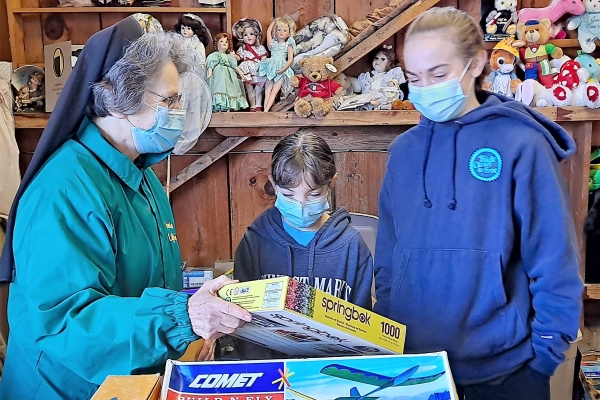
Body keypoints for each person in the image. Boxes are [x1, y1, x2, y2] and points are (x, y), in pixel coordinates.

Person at [0, 17, 250, 400]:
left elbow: (151, 284)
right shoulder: (63, 188)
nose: (179, 111)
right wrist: (183, 317)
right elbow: (66, 321)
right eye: (168, 100)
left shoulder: (141, 173)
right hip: (67, 388)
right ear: (119, 101)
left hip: (127, 381)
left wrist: (195, 321)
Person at [373, 7, 583, 400]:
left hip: (507, 371)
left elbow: (553, 256)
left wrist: (545, 354)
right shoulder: (403, 151)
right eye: (414, 78)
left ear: (475, 63)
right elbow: (389, 252)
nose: (425, 88)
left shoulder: (521, 143)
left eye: (438, 74)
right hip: (413, 369)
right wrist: (387, 327)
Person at [230, 131, 373, 360]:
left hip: (330, 372)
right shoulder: (255, 242)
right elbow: (244, 324)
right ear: (273, 184)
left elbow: (363, 330)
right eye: (289, 194)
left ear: (332, 184)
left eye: (314, 194)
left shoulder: (351, 247)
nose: (301, 204)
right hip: (270, 370)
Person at [256, 17, 296, 112]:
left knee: (274, 92)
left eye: (285, 30)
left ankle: (266, 111)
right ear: (276, 32)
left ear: (289, 34)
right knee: (267, 92)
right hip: (270, 67)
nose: (281, 32)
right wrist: (274, 22)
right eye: (279, 30)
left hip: (281, 69)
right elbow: (268, 33)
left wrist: (283, 69)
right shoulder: (273, 44)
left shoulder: (288, 45)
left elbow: (290, 59)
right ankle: (265, 111)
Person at [206, 32, 250, 112]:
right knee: (219, 89)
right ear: (217, 43)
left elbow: (235, 66)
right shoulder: (214, 55)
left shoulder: (230, 57)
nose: (224, 43)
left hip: (229, 76)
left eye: (226, 42)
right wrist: (210, 73)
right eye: (221, 41)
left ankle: (228, 106)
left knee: (231, 90)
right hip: (218, 75)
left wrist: (241, 73)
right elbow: (210, 65)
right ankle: (220, 106)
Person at [232, 18, 268, 112]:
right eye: (245, 35)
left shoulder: (260, 47)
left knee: (259, 87)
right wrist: (233, 56)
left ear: (256, 34)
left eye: (251, 34)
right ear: (241, 36)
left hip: (257, 69)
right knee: (249, 88)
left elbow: (263, 57)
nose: (248, 37)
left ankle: (258, 105)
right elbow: (239, 57)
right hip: (246, 70)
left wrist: (263, 66)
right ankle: (252, 105)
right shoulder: (242, 48)